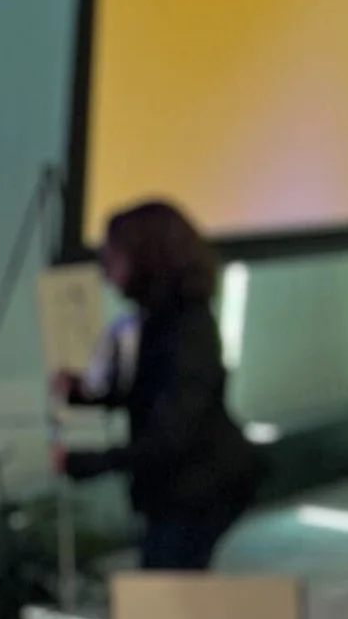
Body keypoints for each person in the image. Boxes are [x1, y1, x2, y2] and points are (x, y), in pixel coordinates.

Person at [52, 199, 258, 570]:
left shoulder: (184, 330)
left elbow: (173, 431)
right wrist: (84, 394)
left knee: (167, 592)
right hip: (182, 486)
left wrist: (87, 463)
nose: (106, 270)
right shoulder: (162, 318)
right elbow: (149, 393)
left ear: (145, 258)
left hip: (199, 487)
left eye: (113, 257)